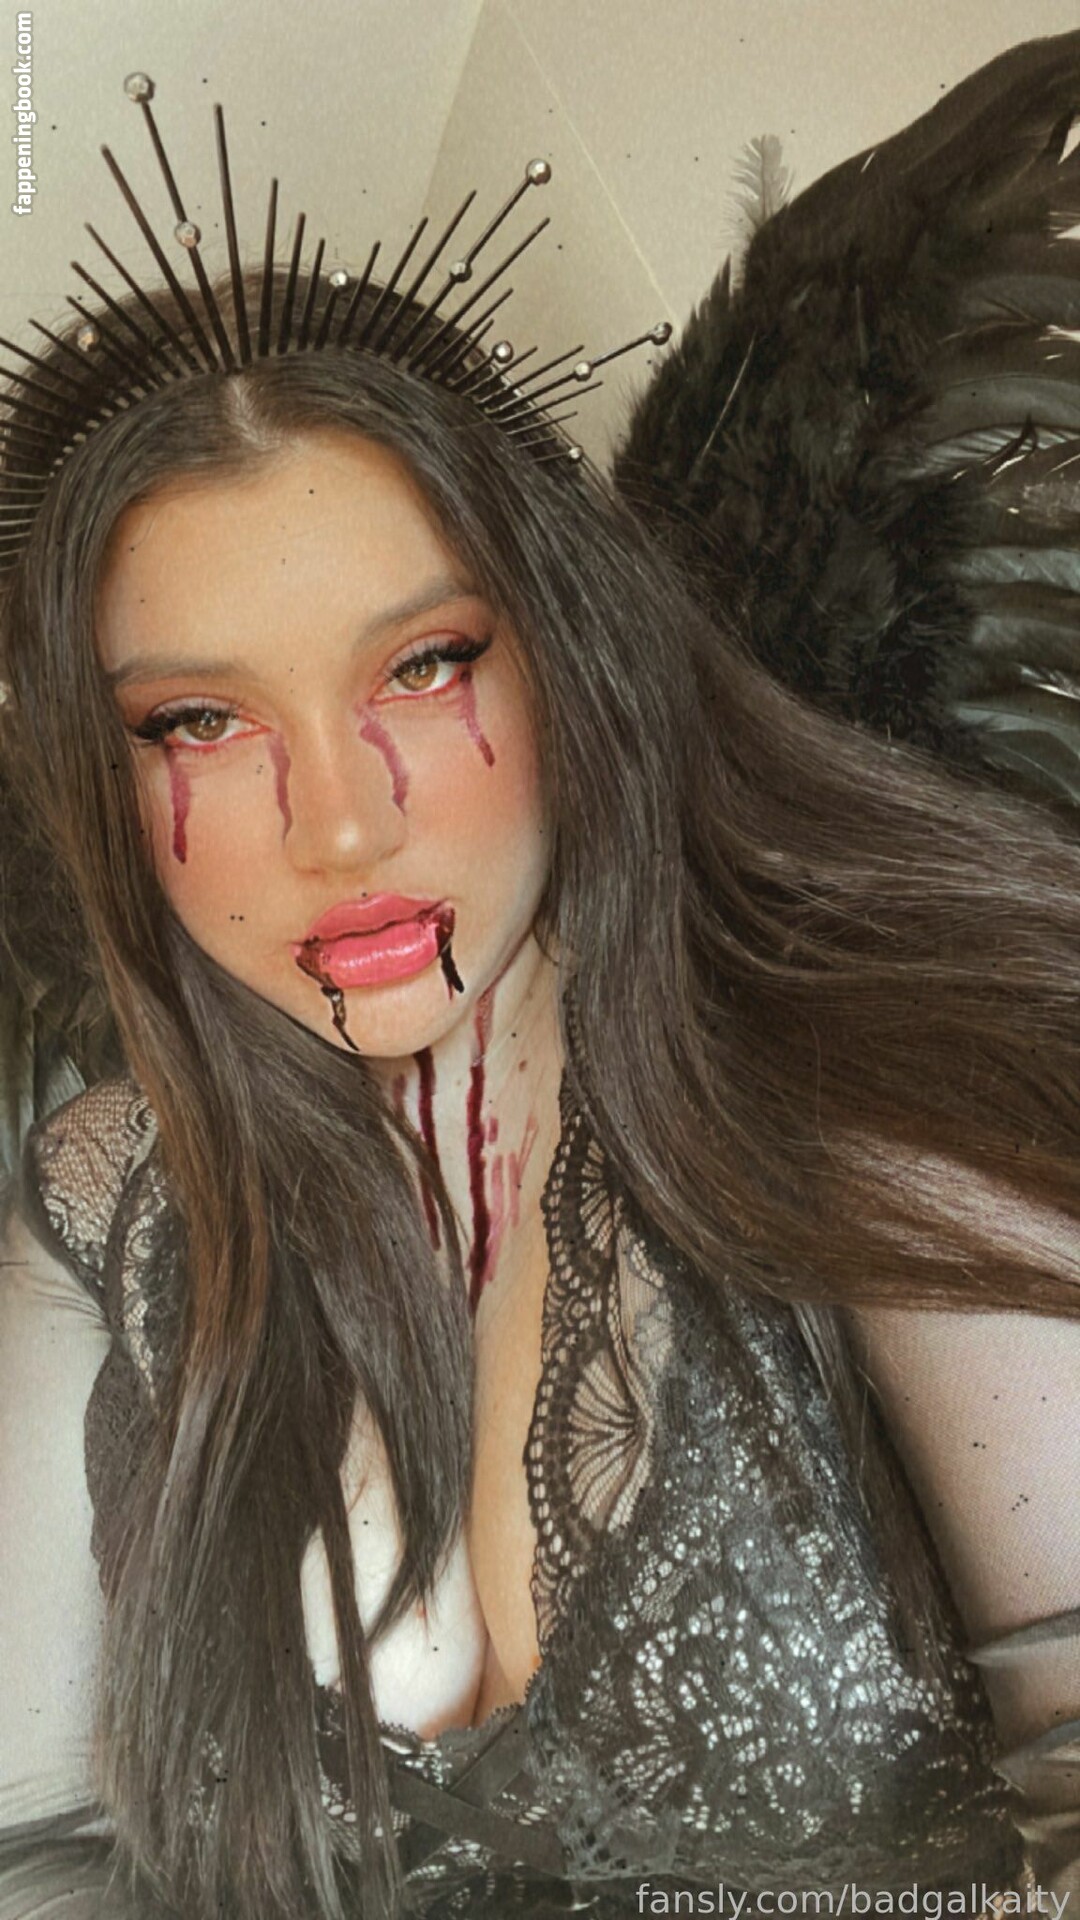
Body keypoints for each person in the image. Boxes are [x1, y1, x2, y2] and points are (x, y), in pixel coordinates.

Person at [0, 49, 1078, 1920]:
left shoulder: (850, 1078)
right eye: (198, 722)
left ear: (571, 655)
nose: (341, 825)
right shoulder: (112, 1197)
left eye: (422, 668)